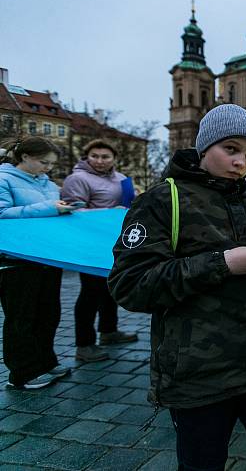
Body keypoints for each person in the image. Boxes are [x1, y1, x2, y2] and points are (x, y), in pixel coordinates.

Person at [108, 104, 246, 470]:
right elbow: (129, 284)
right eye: (231, 149)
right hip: (201, 375)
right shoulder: (163, 201)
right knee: (202, 463)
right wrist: (222, 263)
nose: (241, 162)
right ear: (204, 147)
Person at [0, 137, 75, 389]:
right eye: (44, 162)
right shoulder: (3, 179)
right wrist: (49, 208)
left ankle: (45, 361)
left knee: (48, 313)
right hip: (17, 260)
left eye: (52, 164)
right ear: (24, 158)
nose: (48, 168)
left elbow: (50, 212)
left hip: (46, 257)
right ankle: (23, 372)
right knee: (21, 317)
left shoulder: (49, 184)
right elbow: (2, 215)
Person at [61, 139, 138, 363]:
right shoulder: (78, 178)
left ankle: (109, 332)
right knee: (90, 293)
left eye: (106, 157)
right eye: (95, 156)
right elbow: (72, 211)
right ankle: (84, 345)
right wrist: (108, 211)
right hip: (88, 243)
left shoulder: (122, 179)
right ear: (87, 157)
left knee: (110, 288)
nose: (100, 161)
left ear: (114, 158)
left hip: (113, 242)